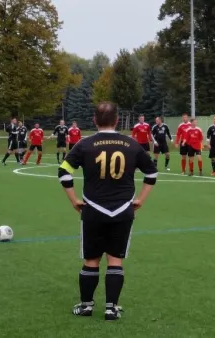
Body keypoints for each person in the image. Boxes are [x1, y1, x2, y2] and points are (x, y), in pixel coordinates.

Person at [58, 102, 157, 321]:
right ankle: (111, 308)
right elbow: (151, 174)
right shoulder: (131, 144)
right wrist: (140, 199)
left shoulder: (85, 144)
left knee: (91, 260)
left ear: (95, 120)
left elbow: (64, 173)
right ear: (117, 120)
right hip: (122, 210)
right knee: (115, 260)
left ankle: (86, 306)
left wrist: (74, 200)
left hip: (93, 209)